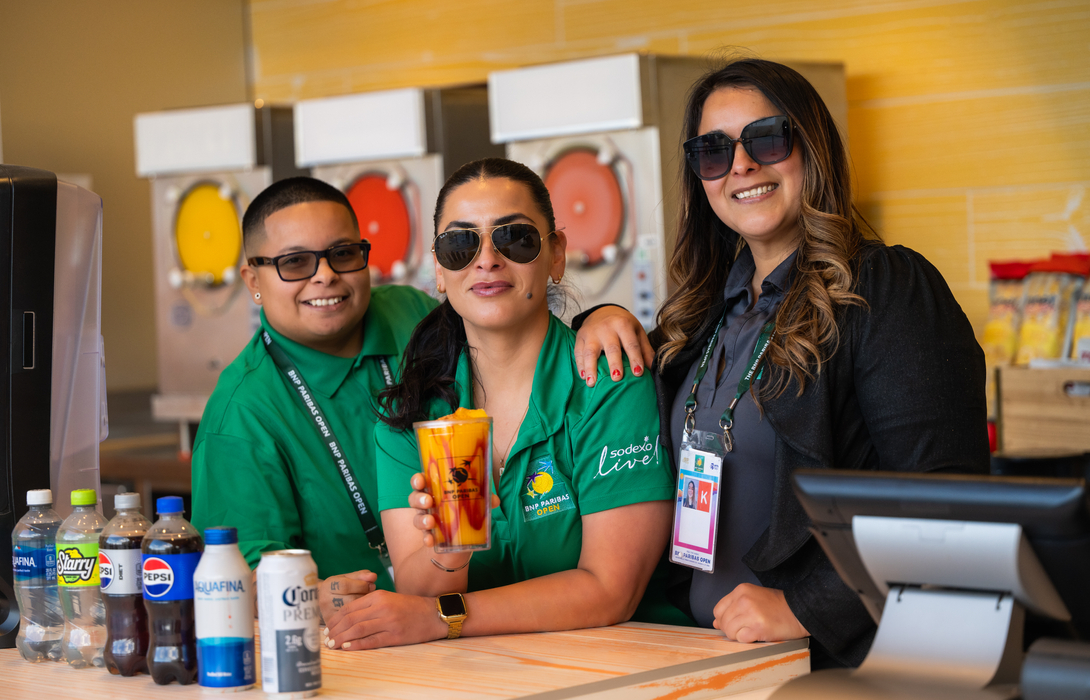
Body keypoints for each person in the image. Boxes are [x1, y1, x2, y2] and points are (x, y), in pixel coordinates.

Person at [574, 59, 989, 668]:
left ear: (811, 148)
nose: (740, 165)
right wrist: (597, 316)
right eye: (712, 152)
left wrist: (805, 607)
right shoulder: (701, 317)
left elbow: (944, 499)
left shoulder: (887, 288)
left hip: (838, 665)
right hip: (703, 659)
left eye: (766, 138)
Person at [322, 158, 678, 651]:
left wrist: (445, 617)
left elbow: (609, 590)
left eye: (514, 238)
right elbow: (418, 595)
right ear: (440, 272)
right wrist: (449, 553)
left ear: (556, 255)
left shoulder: (609, 381)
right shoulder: (410, 418)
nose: (486, 259)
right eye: (460, 244)